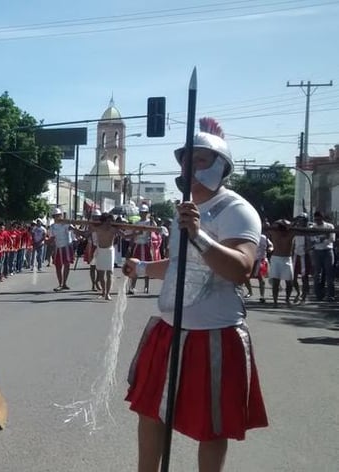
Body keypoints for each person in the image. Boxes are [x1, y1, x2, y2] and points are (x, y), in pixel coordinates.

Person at [123, 118, 267, 472]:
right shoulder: (185, 209)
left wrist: (200, 235)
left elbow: (241, 268)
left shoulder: (236, 210)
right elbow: (182, 264)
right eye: (187, 160)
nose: (190, 167)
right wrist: (142, 268)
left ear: (221, 166)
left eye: (201, 160)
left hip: (215, 332)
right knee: (150, 413)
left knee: (212, 425)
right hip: (170, 327)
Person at [265, 219, 296, 307]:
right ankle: (275, 302)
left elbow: (305, 232)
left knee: (289, 282)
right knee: (276, 282)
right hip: (276, 259)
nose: (282, 230)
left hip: (287, 259)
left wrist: (288, 224)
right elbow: (267, 227)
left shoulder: (291, 233)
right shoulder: (274, 232)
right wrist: (278, 223)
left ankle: (287, 299)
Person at [47, 208, 78, 291]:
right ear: (54, 217)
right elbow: (51, 238)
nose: (58, 217)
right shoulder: (52, 227)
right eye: (56, 216)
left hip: (66, 246)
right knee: (58, 267)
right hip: (58, 247)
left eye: (59, 215)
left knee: (67, 265)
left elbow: (74, 229)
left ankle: (64, 283)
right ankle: (60, 284)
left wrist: (81, 233)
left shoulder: (66, 224)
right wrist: (47, 241)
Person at [92, 213, 120, 300]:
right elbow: (85, 233)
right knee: (101, 273)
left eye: (111, 221)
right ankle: (103, 291)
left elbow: (125, 236)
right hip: (100, 250)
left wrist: (137, 233)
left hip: (109, 251)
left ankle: (107, 293)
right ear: (103, 221)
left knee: (109, 272)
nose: (109, 223)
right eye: (107, 221)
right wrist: (74, 229)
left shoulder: (113, 229)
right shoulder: (97, 228)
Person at [129, 205, 155, 295]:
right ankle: (132, 287)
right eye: (141, 212)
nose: (142, 214)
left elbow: (155, 229)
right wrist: (130, 247)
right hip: (137, 245)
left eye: (144, 212)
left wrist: (152, 220)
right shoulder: (137, 222)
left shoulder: (149, 222)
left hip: (146, 245)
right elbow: (133, 234)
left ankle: (146, 286)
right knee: (135, 266)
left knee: (147, 266)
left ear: (147, 213)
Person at [310, 211, 335, 301]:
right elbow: (313, 239)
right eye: (316, 219)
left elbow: (331, 239)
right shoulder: (313, 227)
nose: (317, 221)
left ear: (322, 218)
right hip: (317, 251)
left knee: (329, 274)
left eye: (319, 219)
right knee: (317, 274)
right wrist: (323, 237)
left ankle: (330, 295)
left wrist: (320, 239)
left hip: (328, 251)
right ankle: (319, 295)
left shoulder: (329, 226)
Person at [292, 214, 312, 303]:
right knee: (293, 277)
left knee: (304, 278)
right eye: (299, 220)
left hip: (304, 255)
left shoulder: (308, 231)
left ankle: (304, 295)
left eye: (301, 220)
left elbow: (310, 244)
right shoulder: (295, 230)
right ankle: (298, 293)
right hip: (296, 255)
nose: (299, 222)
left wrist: (307, 249)